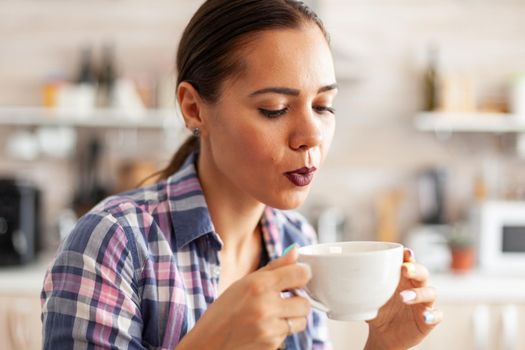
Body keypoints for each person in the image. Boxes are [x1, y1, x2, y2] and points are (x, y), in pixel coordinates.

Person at [41, 0, 442, 349]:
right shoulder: (113, 243)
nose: (311, 136)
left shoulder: (297, 240)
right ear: (194, 109)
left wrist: (383, 345)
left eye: (323, 106)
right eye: (274, 109)